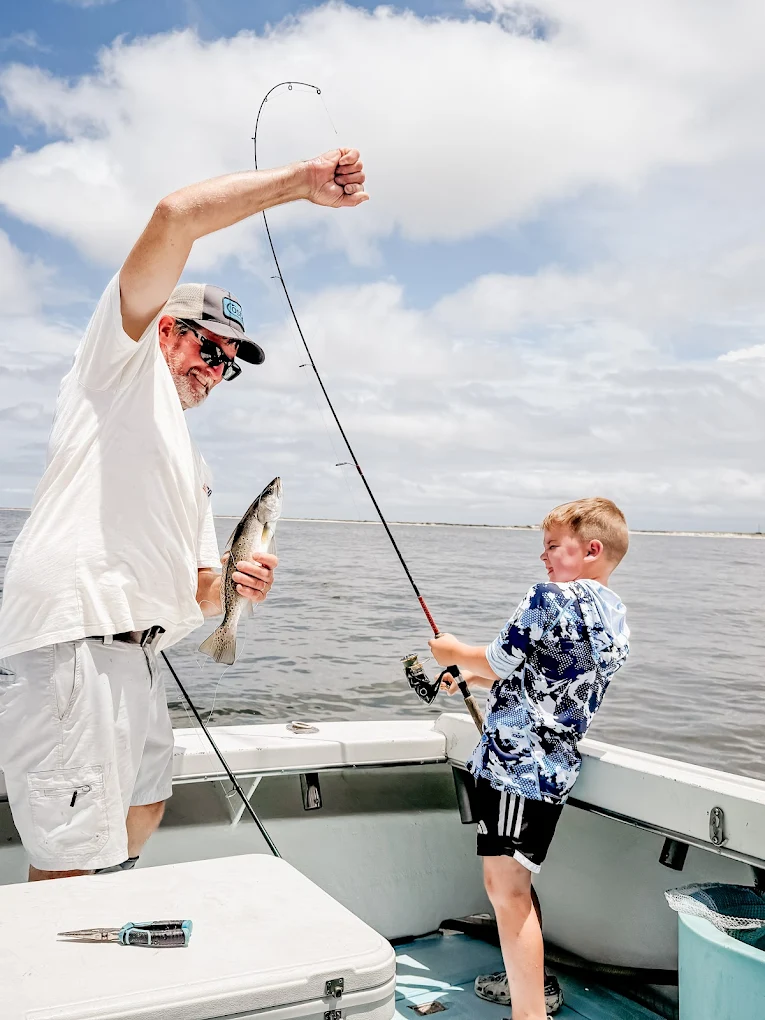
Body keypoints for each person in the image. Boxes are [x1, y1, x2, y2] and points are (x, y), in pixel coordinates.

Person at [0, 148, 368, 881]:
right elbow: (175, 216)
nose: (214, 368)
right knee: (70, 857)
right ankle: (64, 969)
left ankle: (103, 911)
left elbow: (204, 590)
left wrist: (239, 586)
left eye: (228, 363)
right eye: (206, 345)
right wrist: (298, 184)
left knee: (144, 805)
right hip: (76, 641)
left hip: (138, 654)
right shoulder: (116, 369)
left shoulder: (191, 467)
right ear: (165, 330)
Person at [429, 497, 630, 1020]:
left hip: (517, 770)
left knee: (507, 892)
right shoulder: (615, 617)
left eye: (552, 546)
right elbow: (551, 676)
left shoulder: (548, 598)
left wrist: (452, 651)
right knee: (516, 885)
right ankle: (529, 997)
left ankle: (528, 1014)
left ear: (590, 549)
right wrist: (472, 677)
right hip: (553, 770)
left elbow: (493, 659)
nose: (542, 558)